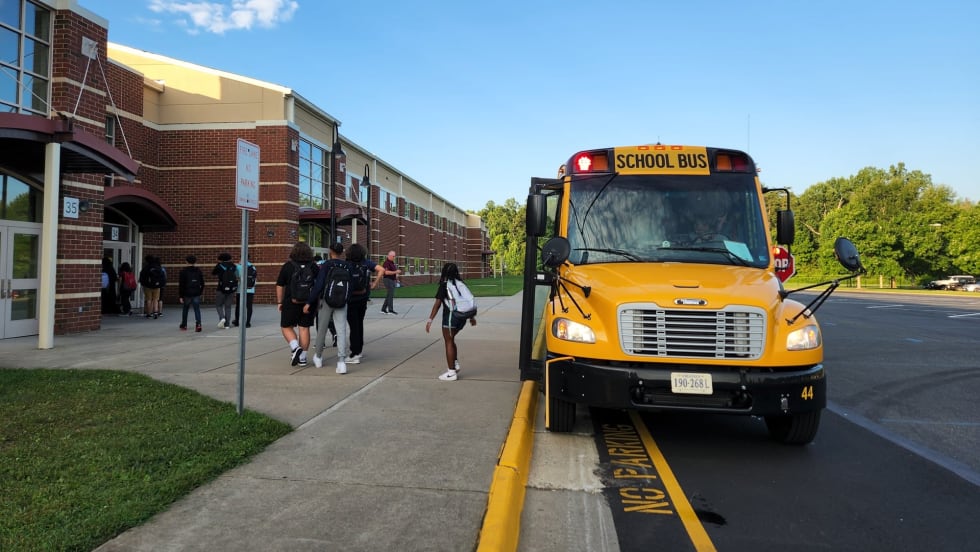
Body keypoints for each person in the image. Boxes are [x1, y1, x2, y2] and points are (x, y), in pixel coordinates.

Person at [425, 262, 477, 381]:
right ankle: (455, 363)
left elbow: (437, 304)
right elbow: (467, 302)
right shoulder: (460, 284)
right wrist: (472, 318)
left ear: (444, 272)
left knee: (448, 341)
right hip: (462, 318)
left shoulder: (444, 285)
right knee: (451, 339)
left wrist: (430, 320)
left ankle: (451, 372)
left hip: (451, 318)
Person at [306, 242, 350, 373]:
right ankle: (341, 362)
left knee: (322, 329)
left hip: (327, 301)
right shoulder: (347, 266)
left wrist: (309, 301)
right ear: (342, 252)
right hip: (342, 302)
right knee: (341, 331)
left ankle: (318, 357)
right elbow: (351, 285)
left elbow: (319, 284)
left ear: (331, 251)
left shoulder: (327, 265)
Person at [276, 242, 318, 368]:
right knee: (304, 328)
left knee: (286, 326)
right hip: (309, 303)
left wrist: (279, 301)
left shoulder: (288, 266)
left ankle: (295, 347)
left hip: (291, 302)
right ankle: (303, 358)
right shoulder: (314, 267)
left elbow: (280, 284)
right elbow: (318, 286)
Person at [345, 243, 384, 365]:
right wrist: (374, 283)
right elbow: (381, 270)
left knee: (353, 327)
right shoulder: (366, 263)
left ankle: (354, 353)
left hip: (351, 299)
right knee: (359, 324)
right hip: (363, 298)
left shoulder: (347, 264)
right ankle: (359, 350)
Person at [178, 255, 205, 332]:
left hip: (187, 293)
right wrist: (200, 292)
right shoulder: (198, 271)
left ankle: (184, 325)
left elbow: (181, 284)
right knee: (197, 309)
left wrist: (181, 296)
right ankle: (198, 325)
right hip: (196, 292)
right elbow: (202, 283)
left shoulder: (183, 271)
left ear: (186, 262)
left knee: (185, 309)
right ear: (195, 262)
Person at [211, 252, 237, 329]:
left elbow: (213, 273)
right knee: (228, 307)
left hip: (221, 288)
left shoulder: (219, 266)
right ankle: (227, 324)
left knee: (218, 305)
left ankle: (222, 318)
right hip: (231, 289)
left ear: (221, 259)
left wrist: (219, 264)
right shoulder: (233, 266)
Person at [232, 256, 256, 328]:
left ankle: (237, 321)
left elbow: (236, 277)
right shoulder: (253, 267)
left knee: (238, 306)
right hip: (250, 290)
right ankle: (248, 323)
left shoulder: (238, 267)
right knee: (249, 307)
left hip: (240, 290)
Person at [380, 250, 401, 314]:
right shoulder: (386, 263)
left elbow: (393, 272)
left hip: (392, 280)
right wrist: (396, 272)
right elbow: (386, 272)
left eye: (395, 256)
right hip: (387, 279)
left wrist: (396, 278)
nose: (394, 257)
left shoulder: (392, 263)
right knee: (391, 295)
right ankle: (390, 310)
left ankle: (383, 309)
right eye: (393, 256)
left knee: (389, 294)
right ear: (389, 256)